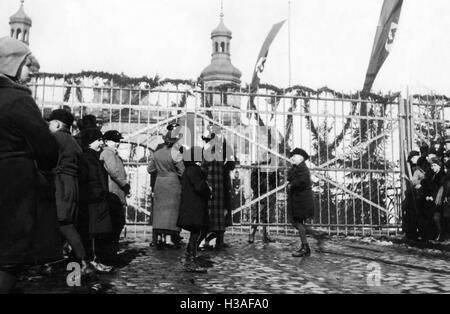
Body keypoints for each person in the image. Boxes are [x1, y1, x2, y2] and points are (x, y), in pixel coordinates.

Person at [0, 37, 60, 293]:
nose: (31, 75)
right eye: (28, 67)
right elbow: (47, 148)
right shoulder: (17, 99)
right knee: (9, 255)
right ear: (14, 64)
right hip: (13, 180)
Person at [47, 109, 94, 276]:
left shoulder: (55, 138)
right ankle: (54, 261)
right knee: (62, 223)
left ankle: (84, 262)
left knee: (64, 223)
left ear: (58, 124)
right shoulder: (74, 142)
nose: (48, 126)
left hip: (59, 183)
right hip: (71, 185)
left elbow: (46, 162)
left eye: (50, 123)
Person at [78, 128, 113, 272]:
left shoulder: (91, 156)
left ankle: (94, 260)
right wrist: (100, 193)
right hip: (94, 199)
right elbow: (92, 179)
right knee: (94, 233)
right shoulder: (88, 157)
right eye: (98, 140)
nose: (101, 142)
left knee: (96, 232)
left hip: (96, 198)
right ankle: (93, 261)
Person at [147, 127, 184, 249]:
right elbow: (182, 171)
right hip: (173, 183)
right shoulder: (176, 154)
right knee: (172, 211)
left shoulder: (156, 153)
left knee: (160, 211)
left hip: (160, 182)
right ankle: (171, 238)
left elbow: (150, 169)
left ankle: (159, 237)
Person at [199, 125, 235, 250]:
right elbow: (231, 164)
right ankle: (217, 240)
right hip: (221, 183)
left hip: (211, 184)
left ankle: (207, 240)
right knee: (220, 212)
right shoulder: (222, 148)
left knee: (210, 213)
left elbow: (203, 168)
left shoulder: (207, 150)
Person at [177, 146, 211, 273]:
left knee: (199, 231)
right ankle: (191, 259)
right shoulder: (194, 170)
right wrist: (209, 191)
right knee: (197, 232)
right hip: (194, 207)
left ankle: (189, 254)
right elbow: (199, 187)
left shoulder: (189, 169)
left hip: (191, 206)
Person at [100, 130, 130, 264]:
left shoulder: (112, 153)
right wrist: (124, 184)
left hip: (116, 192)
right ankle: (110, 256)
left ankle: (111, 254)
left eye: (118, 141)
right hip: (113, 193)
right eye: (114, 140)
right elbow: (113, 171)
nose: (117, 143)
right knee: (115, 224)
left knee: (117, 225)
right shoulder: (108, 153)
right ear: (106, 141)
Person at [287, 148, 318, 257]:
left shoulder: (303, 168)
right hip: (297, 200)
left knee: (298, 222)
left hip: (301, 201)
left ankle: (306, 247)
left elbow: (301, 181)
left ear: (301, 158)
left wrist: (291, 184)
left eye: (294, 156)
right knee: (296, 222)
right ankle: (312, 236)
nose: (292, 158)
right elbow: (290, 177)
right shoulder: (297, 168)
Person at [248, 160, 277, 244]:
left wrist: (271, 189)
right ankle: (251, 235)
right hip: (259, 195)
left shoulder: (272, 171)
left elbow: (275, 182)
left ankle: (266, 236)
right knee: (255, 216)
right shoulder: (256, 170)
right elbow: (253, 184)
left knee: (266, 217)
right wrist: (260, 190)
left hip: (269, 195)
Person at [420, 157, 446, 242]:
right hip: (431, 200)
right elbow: (428, 187)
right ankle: (431, 236)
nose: (432, 167)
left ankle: (441, 235)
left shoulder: (442, 176)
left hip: (440, 201)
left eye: (434, 165)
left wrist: (433, 197)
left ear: (439, 166)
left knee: (437, 217)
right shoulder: (432, 175)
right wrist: (427, 196)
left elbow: (440, 189)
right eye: (431, 166)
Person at [402, 151, 421, 240]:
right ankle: (411, 232)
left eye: (413, 158)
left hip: (420, 192)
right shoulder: (413, 166)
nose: (412, 160)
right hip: (413, 192)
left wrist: (407, 178)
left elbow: (420, 179)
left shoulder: (420, 166)